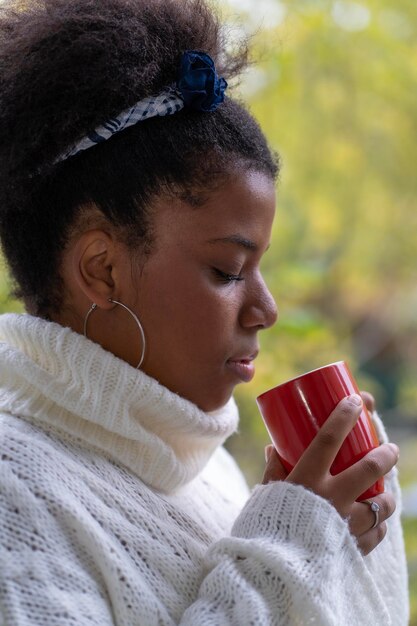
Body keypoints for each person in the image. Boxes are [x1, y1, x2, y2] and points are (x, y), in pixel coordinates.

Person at [0, 0, 408, 624]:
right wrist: (289, 552)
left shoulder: (205, 470)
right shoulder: (14, 493)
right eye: (227, 271)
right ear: (101, 270)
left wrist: (330, 541)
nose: (266, 310)